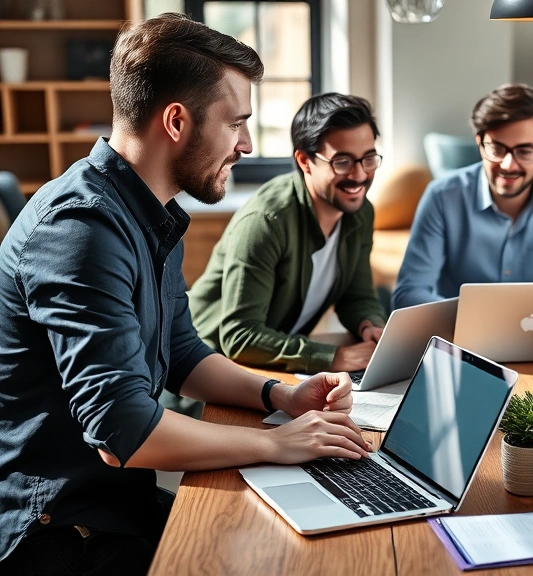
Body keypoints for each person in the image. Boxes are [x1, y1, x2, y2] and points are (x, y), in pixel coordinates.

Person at [0, 15, 369, 574]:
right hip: (58, 528)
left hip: (119, 502)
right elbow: (121, 431)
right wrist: (277, 444)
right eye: (237, 123)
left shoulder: (155, 214)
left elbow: (184, 353)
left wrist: (279, 396)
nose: (246, 144)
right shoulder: (79, 230)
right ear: (176, 120)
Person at [189, 93, 387, 374]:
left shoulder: (360, 212)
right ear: (305, 161)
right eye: (342, 162)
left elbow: (357, 296)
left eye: (368, 159)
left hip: (273, 366)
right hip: (205, 371)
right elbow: (239, 336)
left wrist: (370, 324)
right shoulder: (266, 222)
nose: (359, 175)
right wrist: (332, 358)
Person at [391, 83, 533, 315]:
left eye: (524, 151)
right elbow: (409, 294)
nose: (508, 165)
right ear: (479, 142)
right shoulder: (442, 196)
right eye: (497, 149)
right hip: (457, 338)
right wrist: (477, 319)